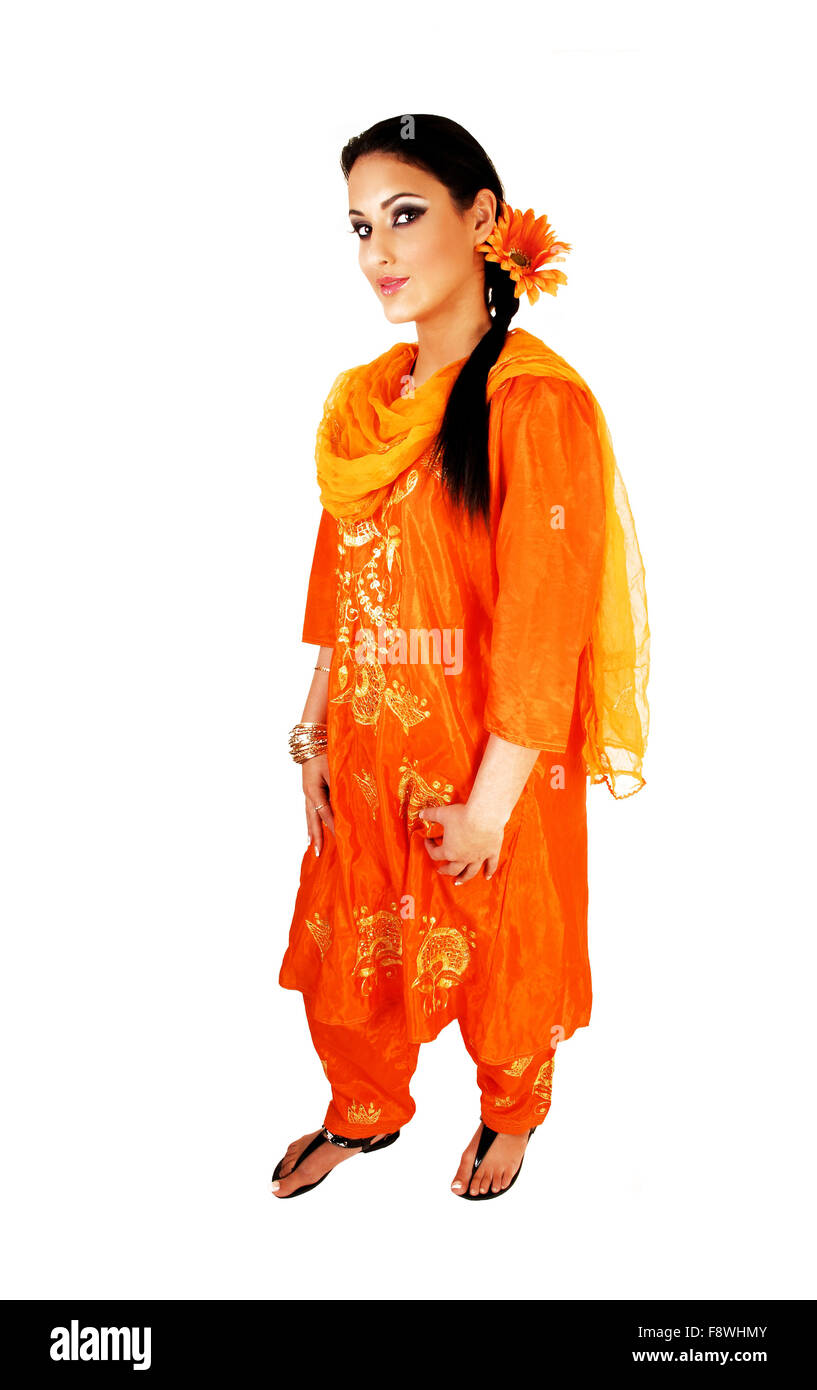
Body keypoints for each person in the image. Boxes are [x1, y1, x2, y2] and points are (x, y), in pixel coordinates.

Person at [272, 114, 650, 1201]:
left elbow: (548, 623)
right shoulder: (367, 403)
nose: (377, 254)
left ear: (481, 219)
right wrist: (315, 724)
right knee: (352, 934)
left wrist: (489, 805)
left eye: (404, 215)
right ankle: (365, 1109)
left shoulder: (531, 404)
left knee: (500, 940)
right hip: (372, 734)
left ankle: (510, 1108)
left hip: (494, 760)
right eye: (358, 227)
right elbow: (342, 579)